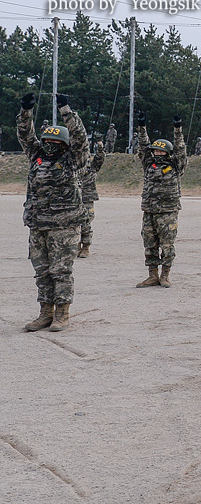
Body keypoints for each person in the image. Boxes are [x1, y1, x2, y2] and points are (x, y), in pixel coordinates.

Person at [17, 92, 88, 332]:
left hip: (64, 225)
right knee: (42, 271)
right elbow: (26, 135)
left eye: (55, 142)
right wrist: (26, 110)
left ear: (64, 144)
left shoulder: (72, 158)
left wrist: (66, 110)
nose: (49, 145)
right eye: (46, 141)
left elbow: (80, 137)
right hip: (38, 223)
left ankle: (62, 313)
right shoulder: (36, 155)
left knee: (61, 271)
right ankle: (45, 312)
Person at [134, 113, 188, 288]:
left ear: (168, 153)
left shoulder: (175, 165)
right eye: (155, 150)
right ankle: (152, 275)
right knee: (149, 244)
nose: (157, 153)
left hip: (168, 211)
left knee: (167, 245)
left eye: (161, 151)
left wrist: (177, 129)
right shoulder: (149, 164)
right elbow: (142, 147)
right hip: (149, 210)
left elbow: (181, 149)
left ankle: (165, 275)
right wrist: (142, 127)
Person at [77, 136, 106, 258]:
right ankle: (76, 246)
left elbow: (100, 157)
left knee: (86, 223)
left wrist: (100, 145)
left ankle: (86, 246)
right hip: (74, 198)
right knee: (74, 223)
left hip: (88, 199)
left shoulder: (93, 166)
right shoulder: (75, 165)